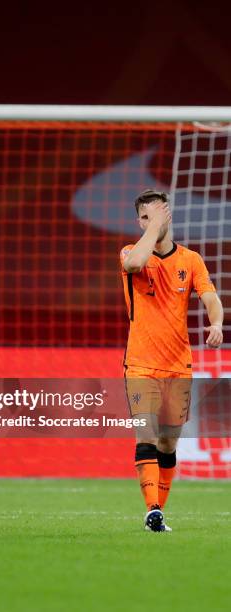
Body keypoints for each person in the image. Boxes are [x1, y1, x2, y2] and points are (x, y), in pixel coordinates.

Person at [120, 189, 223, 532]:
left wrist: (217, 321)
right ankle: (152, 509)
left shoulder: (191, 261)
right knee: (145, 435)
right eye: (145, 218)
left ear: (169, 216)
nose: (152, 223)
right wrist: (154, 227)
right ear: (140, 222)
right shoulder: (131, 254)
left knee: (168, 442)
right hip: (140, 364)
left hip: (178, 365)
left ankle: (158, 513)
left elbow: (211, 297)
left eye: (157, 215)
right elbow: (135, 263)